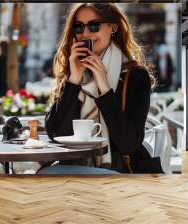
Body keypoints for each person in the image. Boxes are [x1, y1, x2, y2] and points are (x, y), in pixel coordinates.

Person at [44, 3, 165, 173]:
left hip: (120, 170)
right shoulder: (73, 73)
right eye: (79, 27)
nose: (85, 33)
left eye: (94, 26)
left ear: (113, 27)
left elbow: (128, 144)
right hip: (75, 169)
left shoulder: (136, 76)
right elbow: (55, 133)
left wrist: (104, 87)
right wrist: (73, 81)